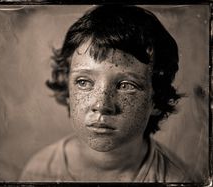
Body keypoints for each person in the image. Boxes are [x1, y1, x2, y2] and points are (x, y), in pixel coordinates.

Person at [19, 5, 197, 182]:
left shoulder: (178, 179)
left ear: (156, 100)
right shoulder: (40, 172)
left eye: (126, 85)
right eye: (84, 82)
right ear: (67, 91)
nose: (102, 105)